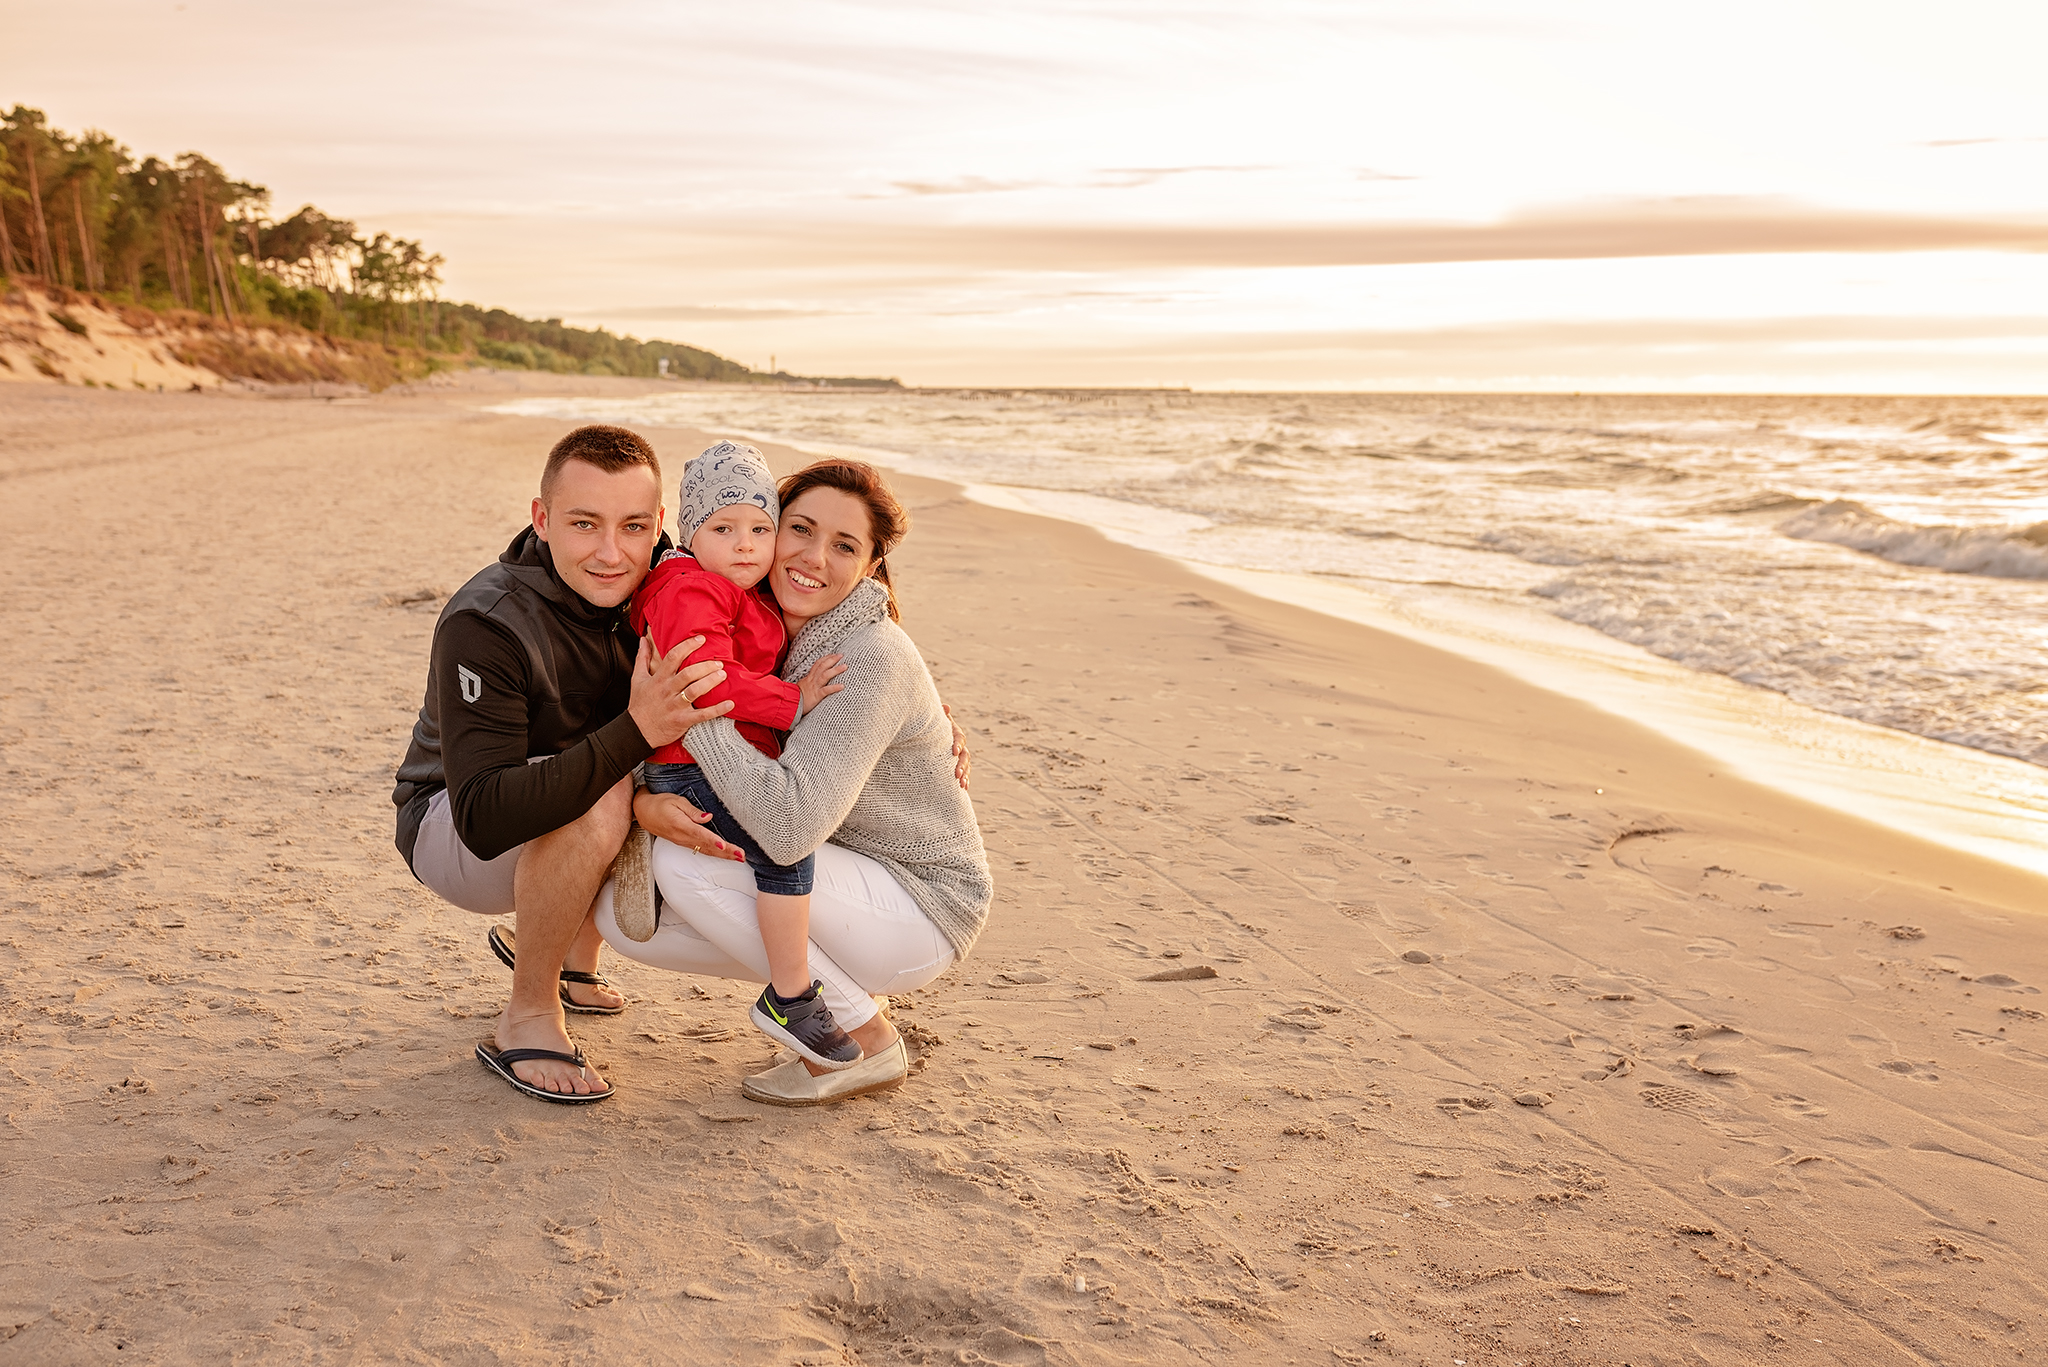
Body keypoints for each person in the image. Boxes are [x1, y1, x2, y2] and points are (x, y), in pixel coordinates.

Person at [599, 459, 993, 1106]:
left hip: (923, 904)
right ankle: (826, 1001)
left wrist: (684, 705)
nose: (813, 556)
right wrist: (644, 800)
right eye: (799, 529)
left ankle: (863, 1035)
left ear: (870, 565)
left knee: (686, 868)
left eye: (844, 545)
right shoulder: (767, 626)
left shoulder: (870, 655)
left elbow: (787, 826)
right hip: (851, 873)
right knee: (626, 917)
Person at [391, 424, 732, 1104]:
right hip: (450, 822)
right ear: (541, 520)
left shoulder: (672, 582)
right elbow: (485, 816)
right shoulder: (484, 621)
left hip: (571, 791)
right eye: (584, 523)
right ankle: (528, 1013)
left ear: (660, 525)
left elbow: (786, 615)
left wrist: (909, 712)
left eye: (633, 526)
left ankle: (574, 959)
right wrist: (638, 731)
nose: (612, 553)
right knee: (604, 785)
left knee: (640, 776)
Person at [614, 441, 860, 1069]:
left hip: (709, 761)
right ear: (690, 534)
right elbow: (704, 676)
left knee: (774, 855)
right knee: (786, 852)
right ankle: (790, 996)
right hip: (691, 766)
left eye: (760, 528)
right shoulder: (692, 590)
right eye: (724, 529)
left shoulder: (739, 592)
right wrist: (791, 700)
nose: (746, 544)